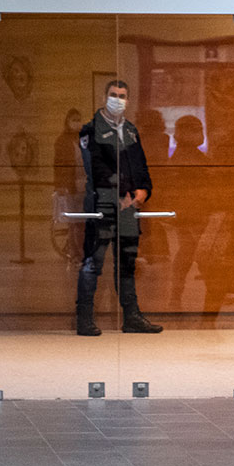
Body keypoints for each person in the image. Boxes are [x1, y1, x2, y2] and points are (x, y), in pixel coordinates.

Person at [76, 79, 162, 335]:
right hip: (102, 204)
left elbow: (140, 166)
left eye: (122, 96)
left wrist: (144, 190)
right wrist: (121, 193)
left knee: (126, 264)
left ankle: (132, 317)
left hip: (128, 208)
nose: (117, 99)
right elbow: (96, 168)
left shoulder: (131, 130)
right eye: (113, 95)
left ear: (128, 100)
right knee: (93, 262)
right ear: (105, 97)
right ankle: (84, 319)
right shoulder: (91, 129)